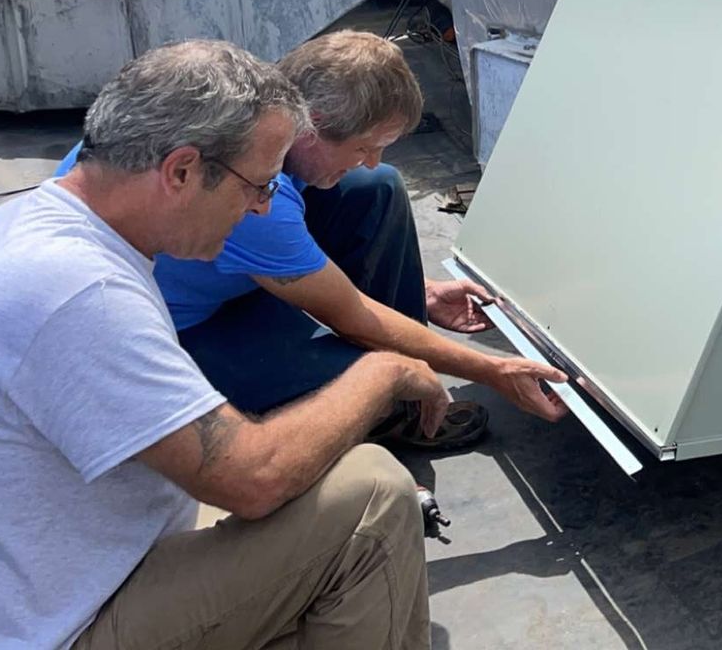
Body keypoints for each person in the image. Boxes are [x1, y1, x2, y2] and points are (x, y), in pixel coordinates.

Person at [0, 40, 448, 649]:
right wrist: (384, 372)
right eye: (258, 186)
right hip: (60, 625)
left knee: (320, 478)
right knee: (373, 496)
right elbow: (252, 479)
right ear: (181, 171)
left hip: (55, 573)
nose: (264, 205)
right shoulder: (81, 293)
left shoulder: (40, 225)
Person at [57, 29, 566, 449]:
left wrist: (421, 293)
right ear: (313, 127)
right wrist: (492, 368)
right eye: (366, 145)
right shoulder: (253, 199)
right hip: (182, 333)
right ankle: (393, 407)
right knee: (368, 377)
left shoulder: (245, 115)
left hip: (216, 278)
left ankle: (406, 390)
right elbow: (352, 317)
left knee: (373, 188)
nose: (373, 157)